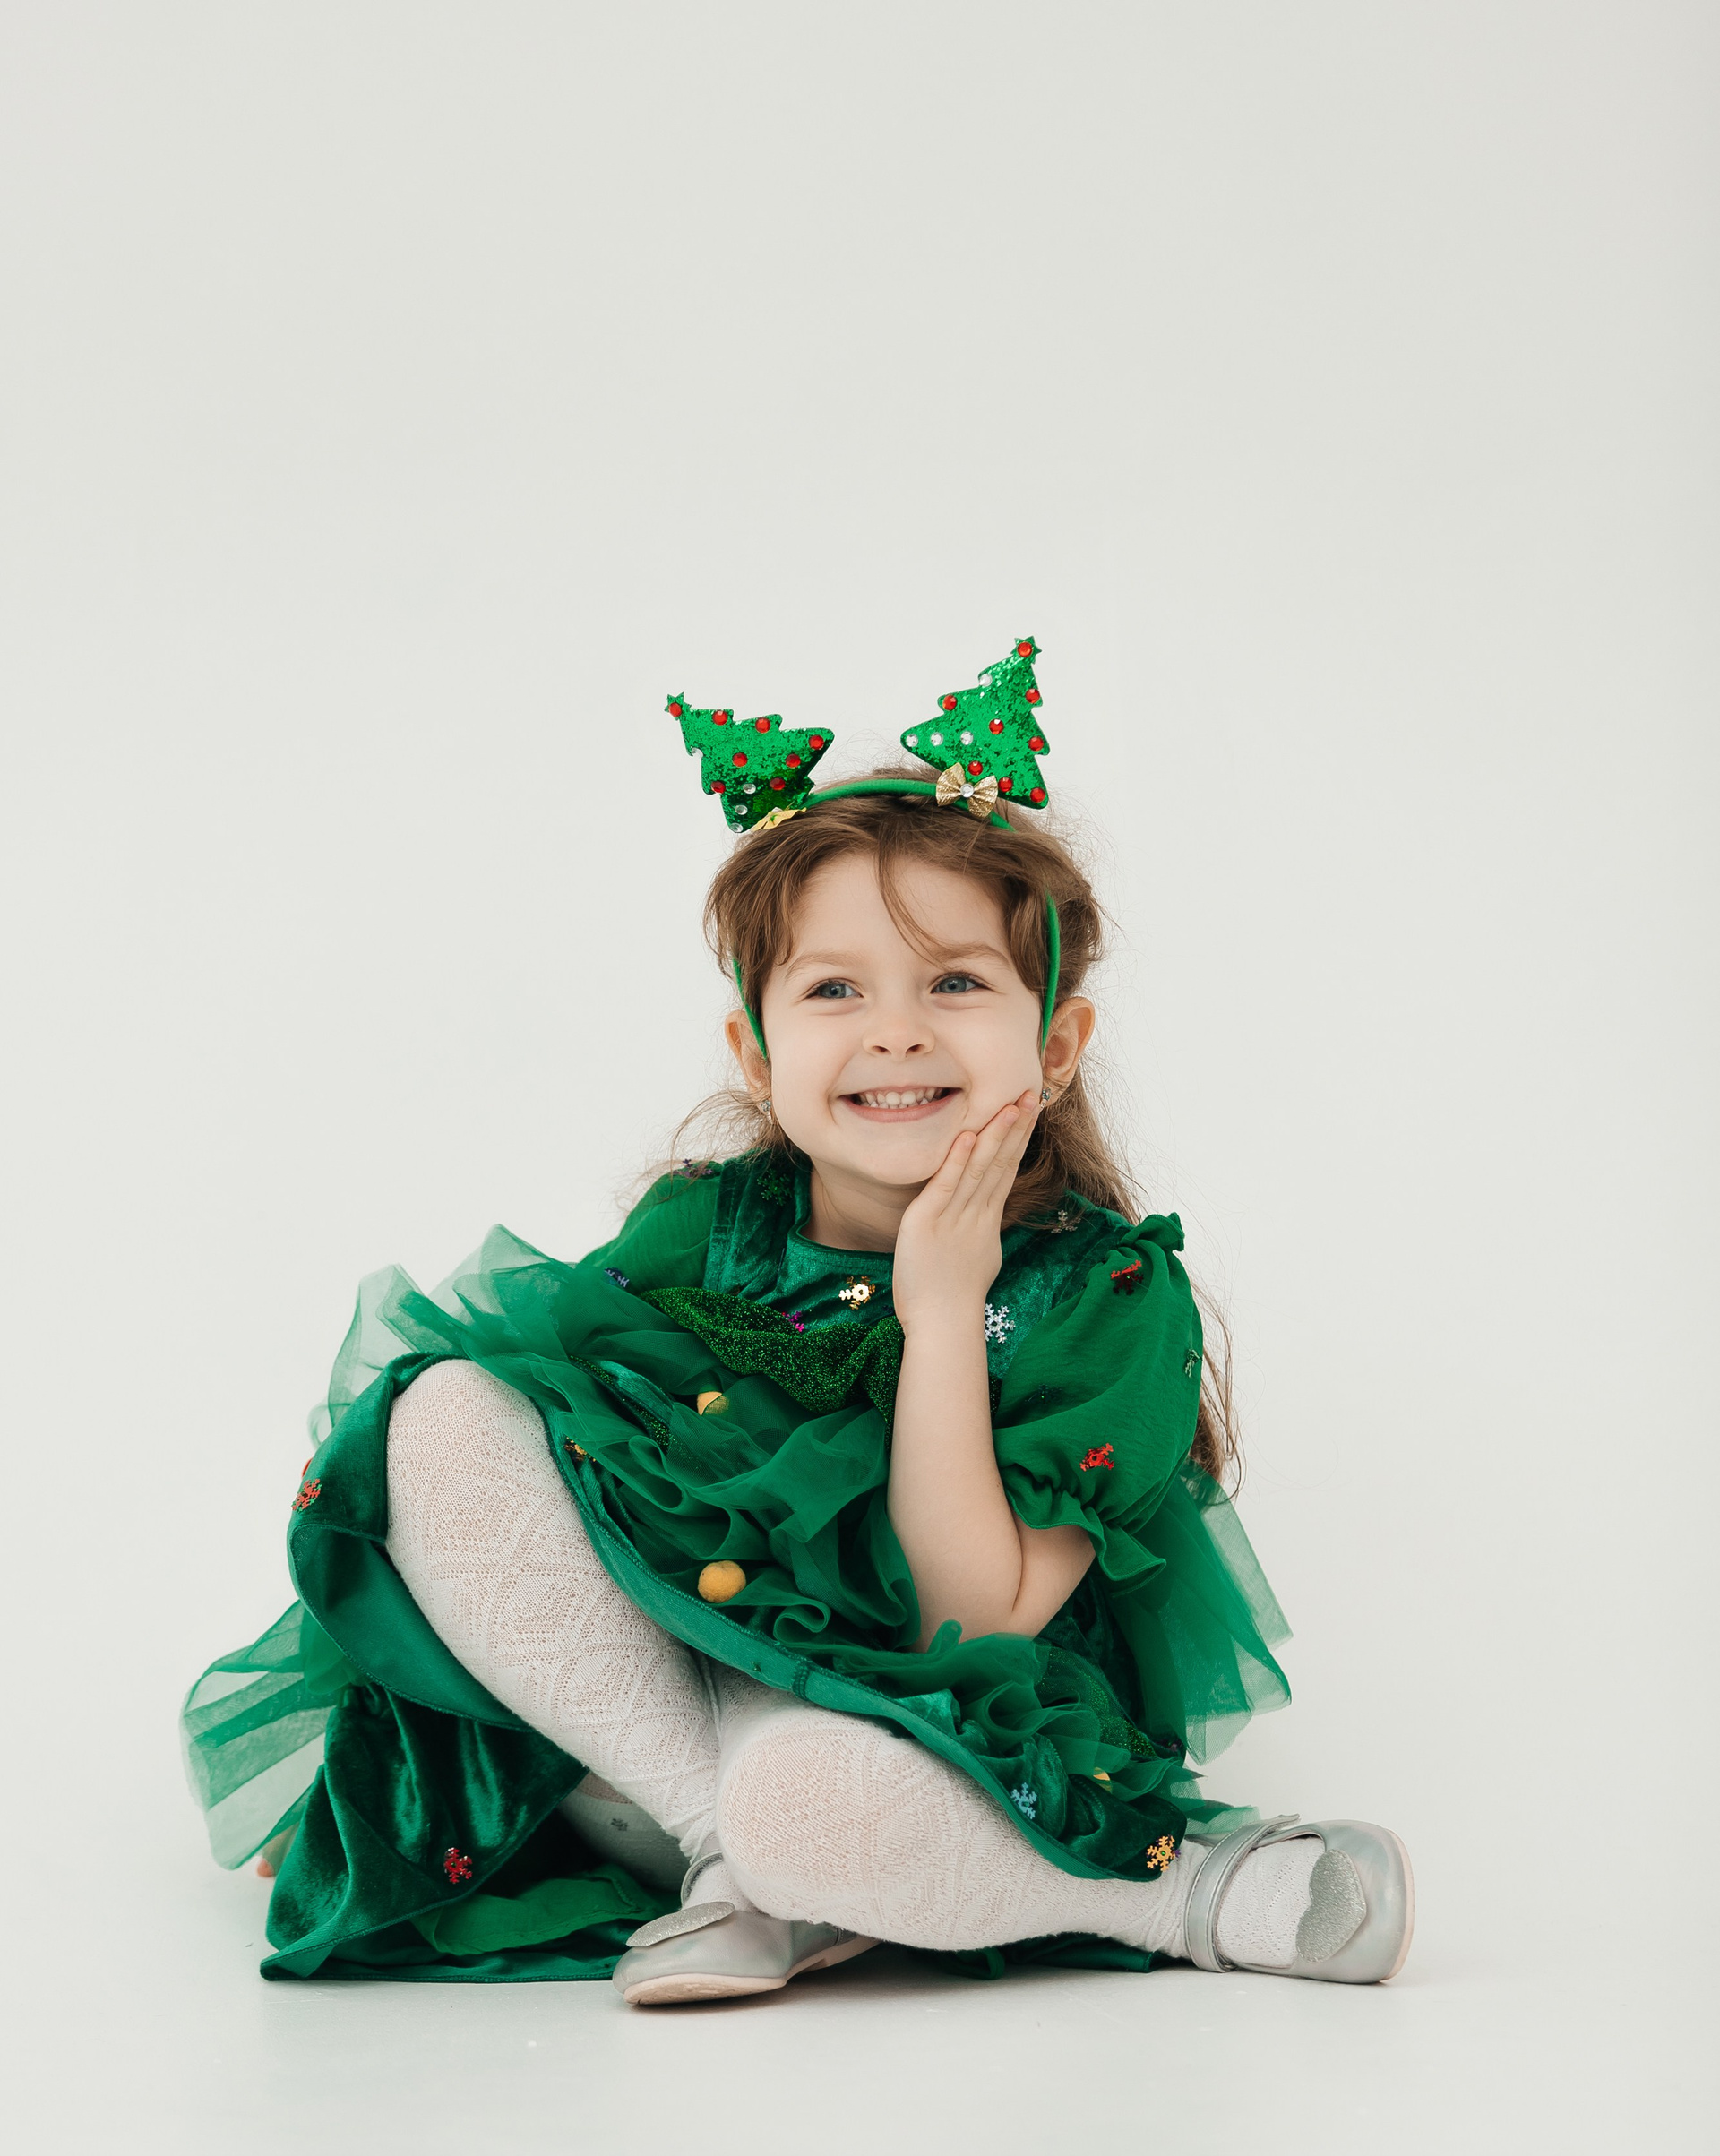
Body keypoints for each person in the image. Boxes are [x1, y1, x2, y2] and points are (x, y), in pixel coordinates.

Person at [183, 641, 1413, 2005]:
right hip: (659, 1757)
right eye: (835, 990)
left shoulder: (1097, 1296)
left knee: (799, 1796)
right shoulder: (707, 1233)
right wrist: (379, 1772)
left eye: (955, 984)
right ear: (758, 1054)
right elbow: (543, 1505)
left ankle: (1181, 1892)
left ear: (1055, 1046)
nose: (896, 1033)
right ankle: (731, 1862)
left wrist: (942, 1313)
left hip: (920, 1767)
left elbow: (967, 1624)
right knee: (441, 1414)